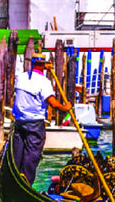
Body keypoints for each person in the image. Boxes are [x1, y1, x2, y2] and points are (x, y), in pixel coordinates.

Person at [11, 53, 70, 185]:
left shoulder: (21, 77)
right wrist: (66, 108)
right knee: (32, 155)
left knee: (17, 155)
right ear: (43, 66)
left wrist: (44, 66)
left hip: (20, 121)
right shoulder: (44, 82)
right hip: (35, 123)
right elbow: (53, 103)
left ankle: (16, 179)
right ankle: (25, 183)